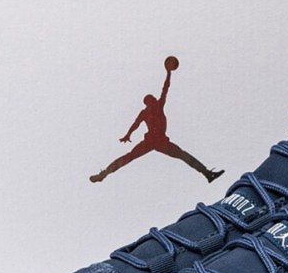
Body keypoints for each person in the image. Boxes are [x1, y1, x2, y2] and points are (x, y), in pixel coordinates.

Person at [90, 61, 224, 184]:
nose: (155, 98)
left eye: (154, 98)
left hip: (159, 141)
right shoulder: (152, 109)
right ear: (148, 101)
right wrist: (128, 134)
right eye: (152, 98)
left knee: (181, 155)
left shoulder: (154, 108)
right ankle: (103, 175)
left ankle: (207, 174)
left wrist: (168, 73)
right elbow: (137, 123)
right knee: (131, 157)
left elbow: (164, 89)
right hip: (154, 140)